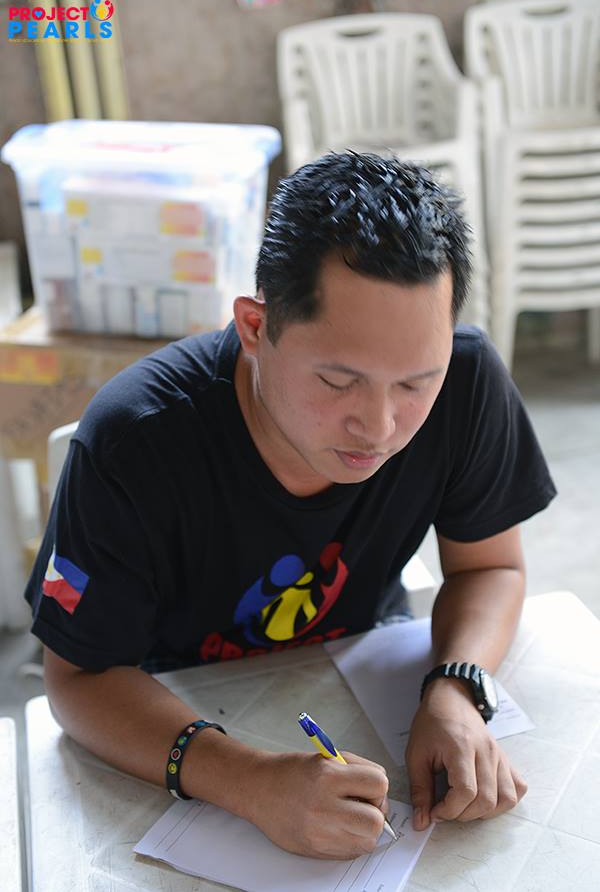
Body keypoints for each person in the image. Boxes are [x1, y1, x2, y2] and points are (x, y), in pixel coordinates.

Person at [26, 152, 556, 861]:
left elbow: (490, 567)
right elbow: (76, 679)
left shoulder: (466, 381)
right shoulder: (134, 440)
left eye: (414, 384)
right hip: (163, 715)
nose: (378, 426)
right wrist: (248, 780)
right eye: (338, 381)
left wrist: (456, 688)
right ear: (255, 328)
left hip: (357, 675)